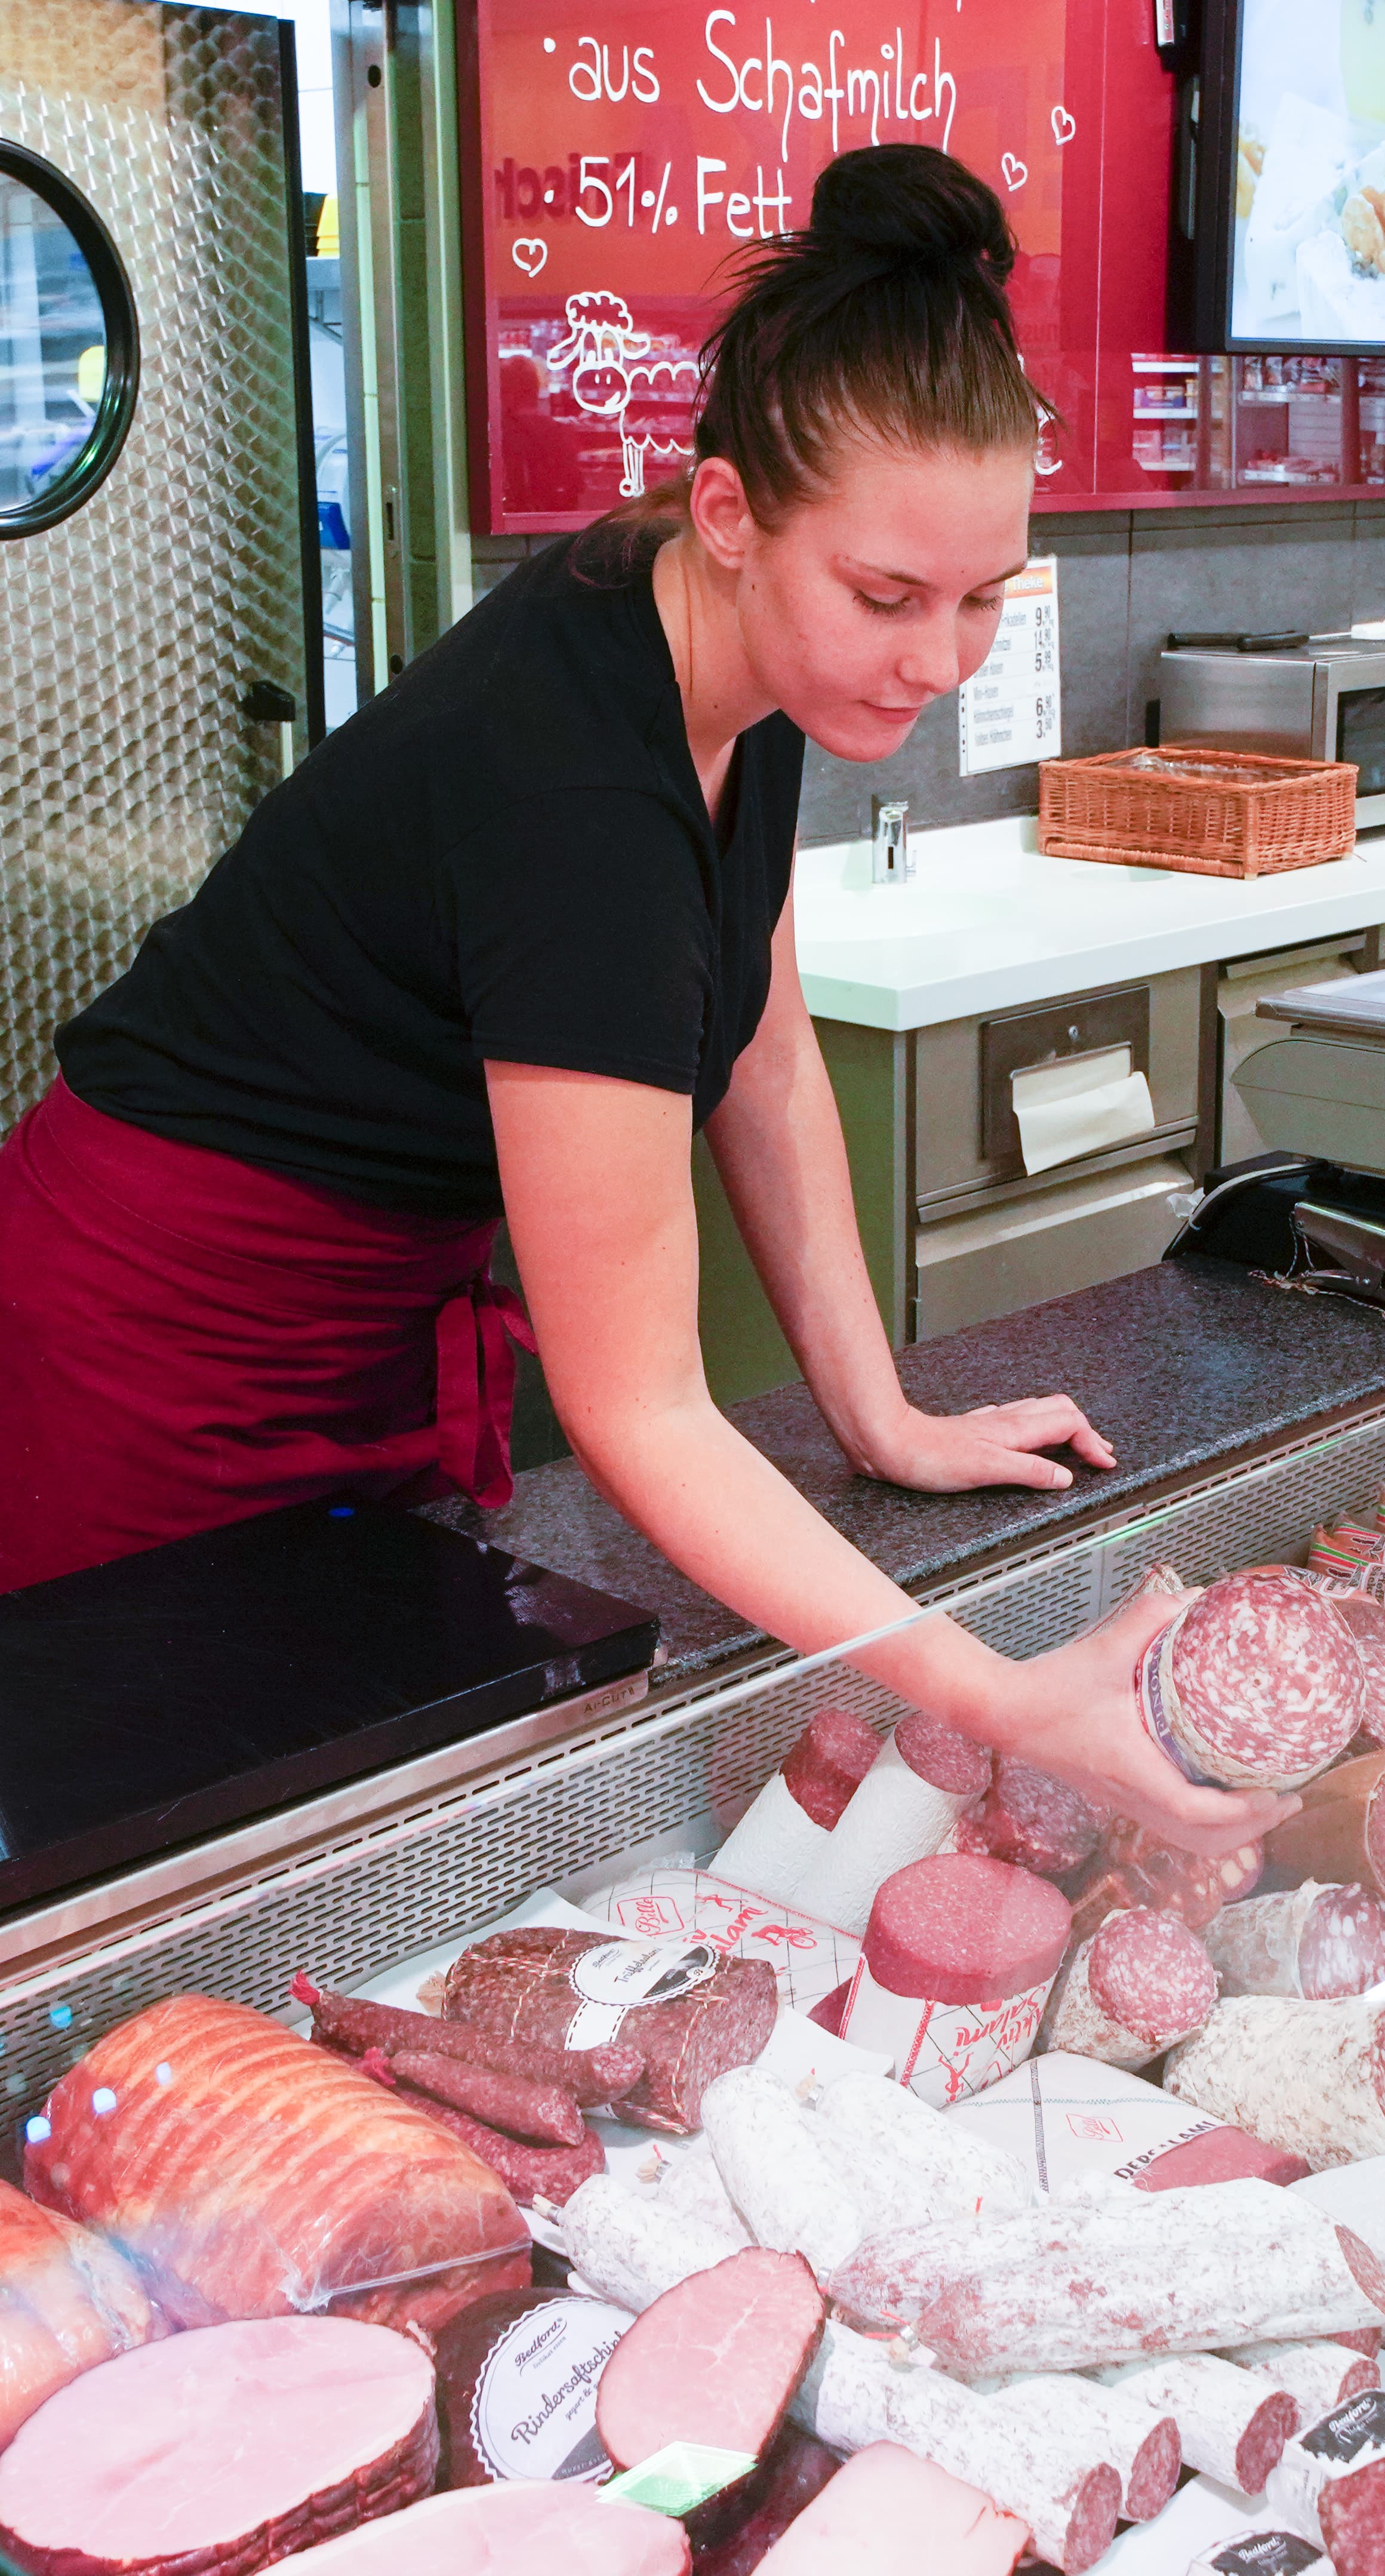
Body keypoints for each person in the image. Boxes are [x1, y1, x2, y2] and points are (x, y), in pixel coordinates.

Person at [0, 145, 1288, 1854]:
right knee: (157, 1860)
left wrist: (880, 1412)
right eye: (887, 597)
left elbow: (764, 1055)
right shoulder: (579, 800)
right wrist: (1000, 1697)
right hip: (159, 1350)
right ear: (731, 514)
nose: (936, 658)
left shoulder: (728, 650)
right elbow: (640, 1412)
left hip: (353, 1318)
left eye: (984, 596)